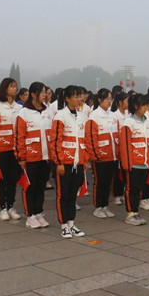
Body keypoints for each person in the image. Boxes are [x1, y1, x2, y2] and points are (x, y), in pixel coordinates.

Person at [49, 85, 88, 238]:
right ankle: (64, 225)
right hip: (64, 162)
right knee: (63, 195)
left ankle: (72, 223)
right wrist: (59, 162)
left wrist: (84, 160)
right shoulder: (60, 116)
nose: (80, 99)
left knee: (73, 195)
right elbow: (55, 141)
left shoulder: (82, 116)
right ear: (67, 98)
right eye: (76, 96)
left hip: (78, 163)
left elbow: (84, 140)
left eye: (80, 96)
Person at [15, 82, 52, 227]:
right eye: (42, 92)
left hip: (45, 156)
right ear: (33, 94)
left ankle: (38, 212)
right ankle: (30, 215)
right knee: (30, 187)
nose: (44, 95)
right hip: (30, 157)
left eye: (45, 92)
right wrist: (21, 157)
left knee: (41, 187)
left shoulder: (48, 111)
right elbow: (19, 136)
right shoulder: (24, 112)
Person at [0, 78, 23, 221]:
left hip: (15, 149)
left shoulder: (19, 108)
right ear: (5, 88)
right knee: (2, 179)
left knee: (13, 179)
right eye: (12, 86)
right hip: (2, 150)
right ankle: (2, 208)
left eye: (15, 86)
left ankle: (11, 206)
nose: (15, 88)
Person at [85, 88, 118, 219]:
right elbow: (91, 137)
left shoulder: (112, 115)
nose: (109, 102)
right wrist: (95, 155)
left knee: (108, 182)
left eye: (111, 99)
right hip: (100, 156)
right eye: (106, 99)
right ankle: (98, 207)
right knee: (100, 182)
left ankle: (105, 206)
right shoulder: (94, 116)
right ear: (99, 100)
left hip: (112, 155)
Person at [119, 93, 149, 225]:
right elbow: (125, 145)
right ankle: (130, 214)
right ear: (136, 106)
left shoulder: (146, 122)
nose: (145, 107)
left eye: (146, 105)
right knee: (131, 189)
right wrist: (127, 164)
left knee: (138, 189)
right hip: (133, 163)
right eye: (143, 105)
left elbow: (148, 143)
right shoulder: (128, 123)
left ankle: (136, 212)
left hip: (144, 163)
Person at [110, 92, 128, 206]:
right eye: (127, 101)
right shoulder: (114, 116)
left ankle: (122, 193)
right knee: (117, 174)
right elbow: (115, 134)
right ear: (120, 102)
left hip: (126, 149)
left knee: (124, 173)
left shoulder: (128, 115)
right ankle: (116, 194)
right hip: (118, 148)